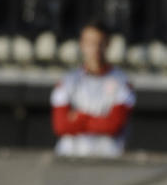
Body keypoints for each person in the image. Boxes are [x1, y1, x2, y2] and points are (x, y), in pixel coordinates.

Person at [50, 20, 135, 157]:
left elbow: (114, 125)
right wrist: (99, 120)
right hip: (70, 158)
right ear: (82, 44)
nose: (95, 48)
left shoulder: (122, 82)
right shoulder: (68, 81)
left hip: (107, 160)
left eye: (99, 42)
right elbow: (61, 125)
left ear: (107, 44)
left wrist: (79, 117)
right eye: (89, 43)